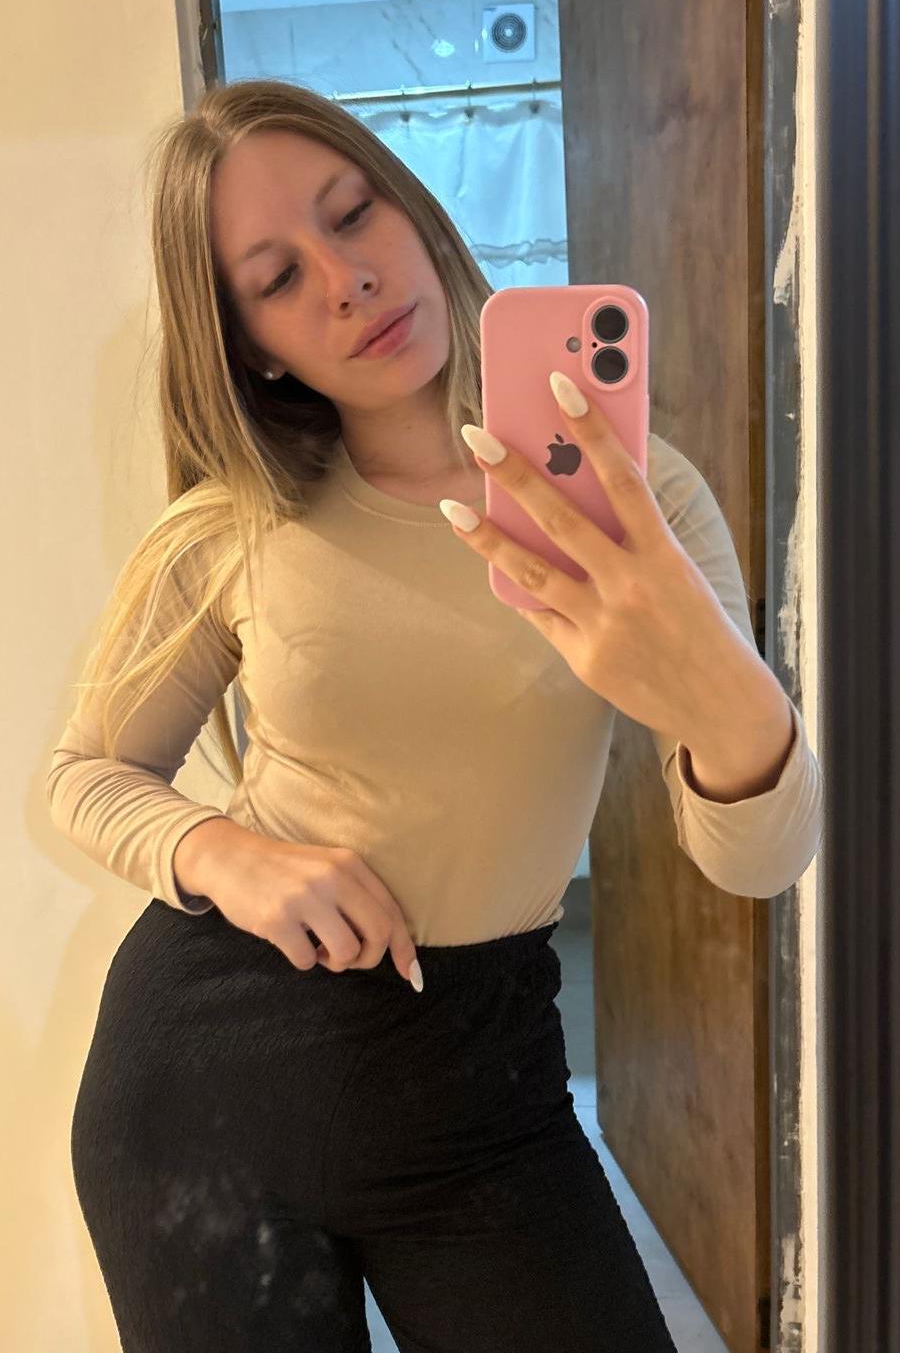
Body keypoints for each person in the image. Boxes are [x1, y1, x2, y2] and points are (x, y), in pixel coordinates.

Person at [47, 78, 824, 1352]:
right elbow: (84, 770)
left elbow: (761, 859)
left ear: (414, 211)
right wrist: (225, 852)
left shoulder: (640, 502)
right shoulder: (234, 522)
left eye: (354, 213)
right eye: (278, 277)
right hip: (206, 1091)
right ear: (253, 345)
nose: (345, 277)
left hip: (484, 1090)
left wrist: (725, 695)